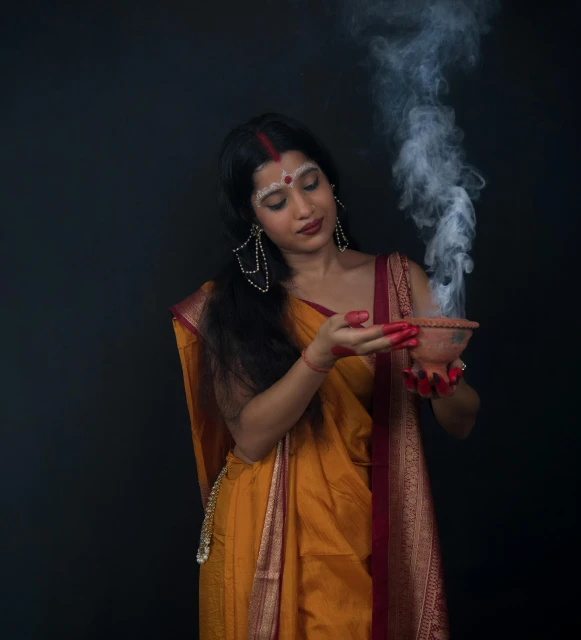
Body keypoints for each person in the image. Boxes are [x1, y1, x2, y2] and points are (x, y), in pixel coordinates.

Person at [170, 112, 480, 639]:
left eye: (310, 184)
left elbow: (461, 421)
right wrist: (319, 354)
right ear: (252, 219)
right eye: (276, 202)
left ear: (329, 181)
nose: (304, 208)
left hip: (380, 516)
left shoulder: (401, 281)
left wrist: (443, 381)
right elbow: (249, 437)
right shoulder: (231, 307)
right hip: (273, 530)